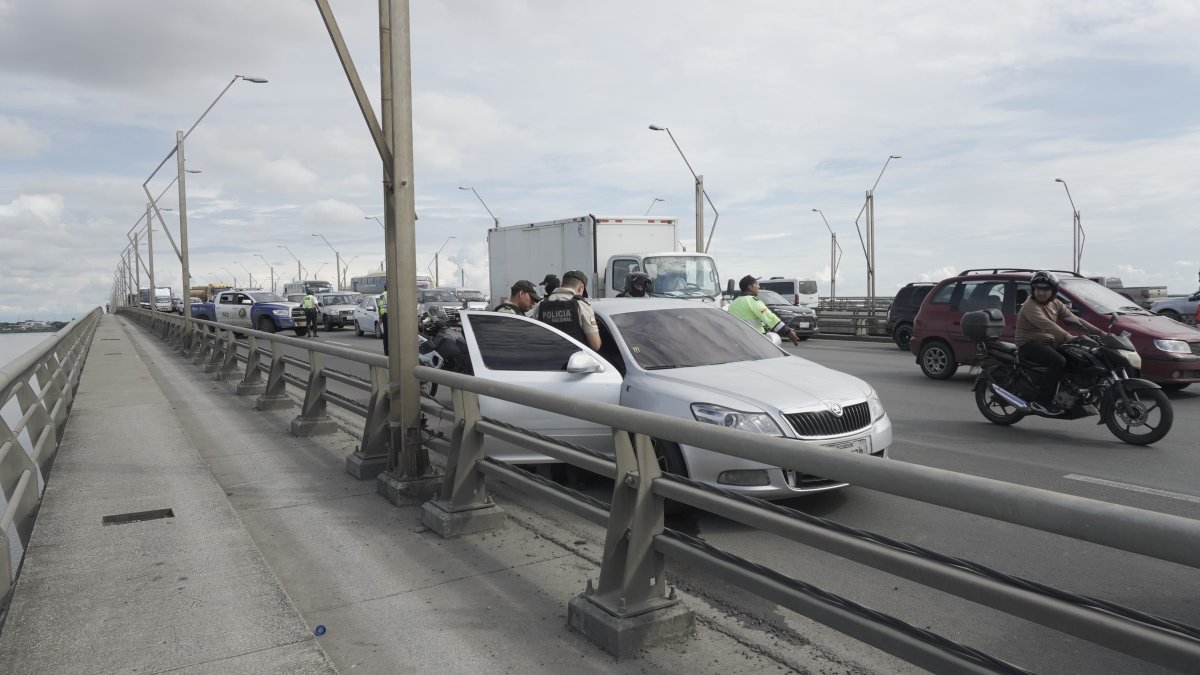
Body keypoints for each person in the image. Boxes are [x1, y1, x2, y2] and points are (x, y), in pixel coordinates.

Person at [1015, 270, 1105, 415]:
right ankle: (1041, 402)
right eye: (1038, 288)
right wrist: (1067, 336)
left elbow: (1076, 319)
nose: (1041, 292)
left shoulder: (1055, 303)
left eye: (1045, 289)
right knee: (1059, 361)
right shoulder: (1030, 306)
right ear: (1033, 289)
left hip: (1048, 342)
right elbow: (1047, 325)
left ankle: (1068, 394)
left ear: (1053, 291)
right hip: (1029, 343)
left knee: (1078, 357)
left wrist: (1101, 333)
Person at [534, 269, 601, 351]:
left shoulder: (540, 305)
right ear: (581, 287)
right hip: (575, 361)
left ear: (562, 284)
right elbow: (595, 345)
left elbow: (536, 339)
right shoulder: (582, 305)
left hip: (548, 360)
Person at [726, 275, 799, 344]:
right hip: (755, 339)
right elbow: (770, 318)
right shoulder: (752, 301)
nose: (759, 286)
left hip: (738, 340)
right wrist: (788, 331)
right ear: (750, 287)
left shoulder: (733, 304)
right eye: (756, 284)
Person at [378, 286, 388, 356]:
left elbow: (379, 307)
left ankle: (386, 351)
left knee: (386, 334)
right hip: (391, 316)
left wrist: (380, 318)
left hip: (384, 316)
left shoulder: (382, 295)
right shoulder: (391, 294)